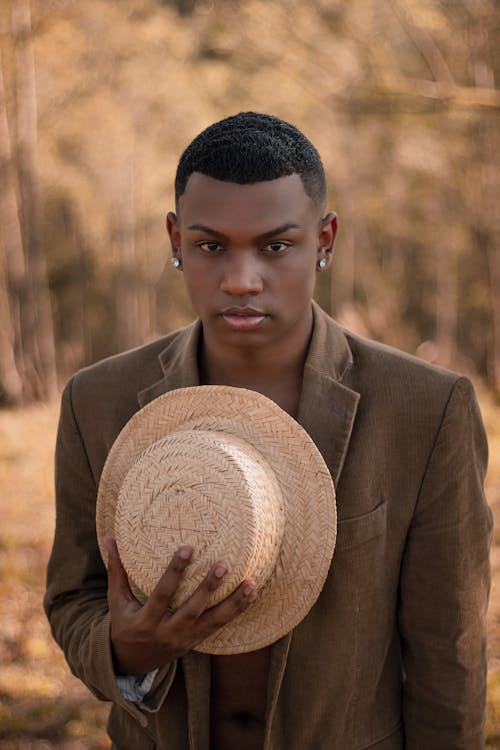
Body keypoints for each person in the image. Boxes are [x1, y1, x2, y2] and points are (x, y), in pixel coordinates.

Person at [44, 112, 492, 750]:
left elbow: (449, 652)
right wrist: (125, 650)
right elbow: (73, 598)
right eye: (211, 245)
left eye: (276, 245)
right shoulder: (99, 401)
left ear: (325, 237)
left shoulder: (426, 410)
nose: (241, 280)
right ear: (175, 240)